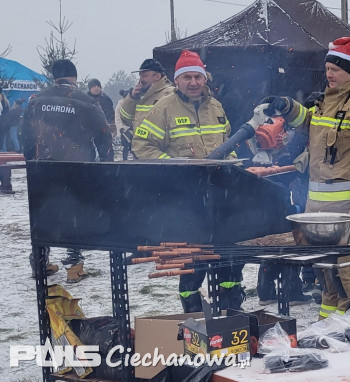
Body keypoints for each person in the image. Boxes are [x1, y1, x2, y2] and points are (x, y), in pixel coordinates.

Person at [264, 37, 350, 318]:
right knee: (324, 271)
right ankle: (328, 325)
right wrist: (287, 106)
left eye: (335, 69)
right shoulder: (327, 99)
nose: (329, 74)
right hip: (317, 207)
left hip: (348, 210)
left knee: (348, 271)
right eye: (328, 68)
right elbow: (311, 123)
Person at [131, 50, 245, 312]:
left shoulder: (216, 107)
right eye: (187, 77)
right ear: (177, 80)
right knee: (193, 263)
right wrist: (175, 169)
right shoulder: (163, 108)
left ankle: (231, 309)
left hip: (221, 198)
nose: (193, 82)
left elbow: (229, 144)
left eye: (197, 77)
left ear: (205, 79)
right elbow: (142, 145)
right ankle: (193, 314)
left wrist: (234, 169)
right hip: (185, 201)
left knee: (229, 256)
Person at [20, 59, 113, 282]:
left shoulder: (36, 101)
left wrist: (31, 160)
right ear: (75, 77)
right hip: (77, 168)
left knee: (42, 214)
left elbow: (26, 135)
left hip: (43, 167)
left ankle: (40, 263)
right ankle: (74, 266)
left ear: (54, 76)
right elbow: (104, 137)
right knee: (75, 215)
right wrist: (107, 167)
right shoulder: (87, 102)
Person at [120, 58, 175, 160]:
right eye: (140, 76)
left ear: (157, 76)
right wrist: (132, 98)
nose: (141, 80)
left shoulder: (170, 93)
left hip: (160, 153)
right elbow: (126, 119)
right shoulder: (140, 95)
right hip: (141, 152)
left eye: (145, 76)